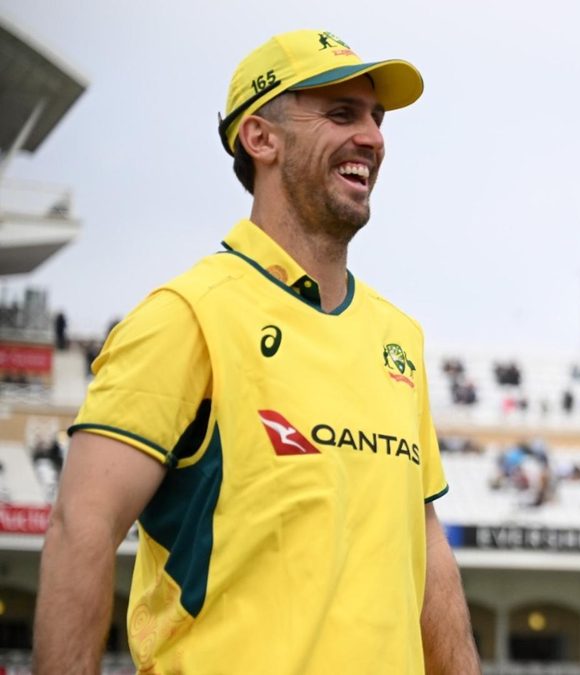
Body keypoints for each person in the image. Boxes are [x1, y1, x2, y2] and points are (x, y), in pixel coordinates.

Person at [33, 30, 479, 674]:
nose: (374, 138)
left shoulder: (398, 337)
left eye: (376, 119)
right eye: (340, 113)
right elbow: (82, 526)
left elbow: (427, 548)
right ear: (260, 138)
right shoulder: (185, 316)